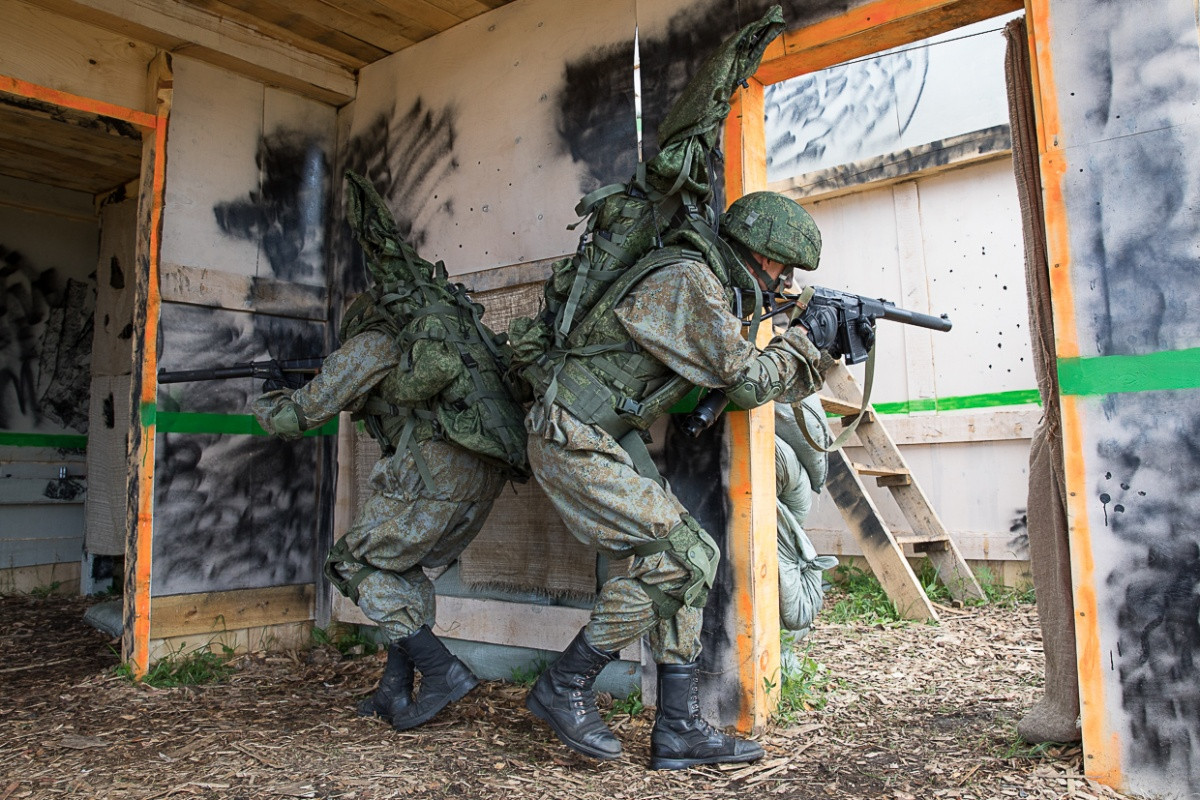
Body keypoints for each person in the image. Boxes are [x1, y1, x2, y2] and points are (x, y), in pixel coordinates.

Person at [523, 191, 833, 769]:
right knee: (687, 556)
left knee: (689, 559)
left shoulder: (701, 280)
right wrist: (805, 344)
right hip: (572, 437)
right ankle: (565, 683)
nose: (783, 283)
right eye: (781, 270)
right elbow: (745, 382)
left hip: (596, 436)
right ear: (760, 256)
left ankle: (678, 730)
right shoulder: (688, 280)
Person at [254, 172, 527, 733]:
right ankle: (394, 689)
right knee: (401, 569)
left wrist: (267, 399)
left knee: (352, 564)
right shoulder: (446, 333)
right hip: (481, 470)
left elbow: (299, 415)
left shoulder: (375, 343)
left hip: (437, 470)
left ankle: (442, 670)